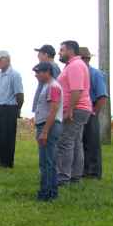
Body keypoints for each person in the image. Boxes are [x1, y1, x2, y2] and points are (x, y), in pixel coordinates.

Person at [56, 40, 92, 187]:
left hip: (76, 109)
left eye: (62, 50)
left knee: (65, 143)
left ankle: (63, 179)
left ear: (70, 51)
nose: (59, 52)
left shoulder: (75, 66)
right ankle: (75, 178)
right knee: (76, 143)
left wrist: (69, 110)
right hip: (79, 109)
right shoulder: (74, 65)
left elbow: (77, 90)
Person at [32, 62, 64, 202]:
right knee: (50, 164)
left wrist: (45, 131)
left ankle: (45, 194)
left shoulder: (52, 87)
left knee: (46, 164)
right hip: (47, 127)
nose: (36, 75)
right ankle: (52, 193)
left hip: (49, 127)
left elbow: (53, 110)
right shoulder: (48, 87)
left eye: (39, 72)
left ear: (47, 72)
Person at [0, 50, 24, 168]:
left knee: (8, 136)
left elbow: (20, 94)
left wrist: (18, 108)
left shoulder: (14, 75)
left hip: (10, 108)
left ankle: (7, 162)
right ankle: (2, 157)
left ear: (7, 60)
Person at [79, 47, 109, 180]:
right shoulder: (79, 74)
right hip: (80, 111)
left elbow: (103, 96)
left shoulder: (96, 74)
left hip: (91, 111)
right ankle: (84, 171)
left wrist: (94, 112)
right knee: (81, 142)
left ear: (86, 59)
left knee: (93, 142)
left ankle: (95, 173)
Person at [31, 44, 61, 110]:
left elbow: (53, 89)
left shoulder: (52, 68)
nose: (37, 56)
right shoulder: (51, 67)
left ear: (45, 55)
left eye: (39, 54)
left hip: (46, 109)